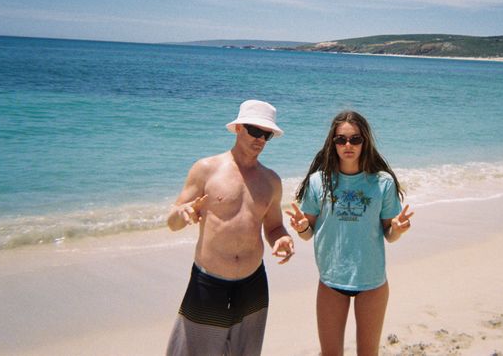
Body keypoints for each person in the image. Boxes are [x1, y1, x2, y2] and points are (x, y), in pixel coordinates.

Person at [166, 99, 294, 356]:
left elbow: (274, 227)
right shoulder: (206, 169)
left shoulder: (271, 180)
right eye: (254, 130)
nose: (260, 139)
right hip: (208, 283)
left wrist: (282, 239)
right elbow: (173, 221)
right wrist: (185, 213)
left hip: (253, 284)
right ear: (238, 128)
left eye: (266, 134)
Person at [286, 110, 414, 356]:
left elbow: (390, 234)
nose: (348, 145)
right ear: (332, 143)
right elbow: (307, 233)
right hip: (331, 280)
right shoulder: (318, 182)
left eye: (355, 139)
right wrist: (301, 227)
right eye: (341, 139)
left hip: (372, 282)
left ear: (365, 141)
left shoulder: (382, 182)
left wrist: (397, 229)